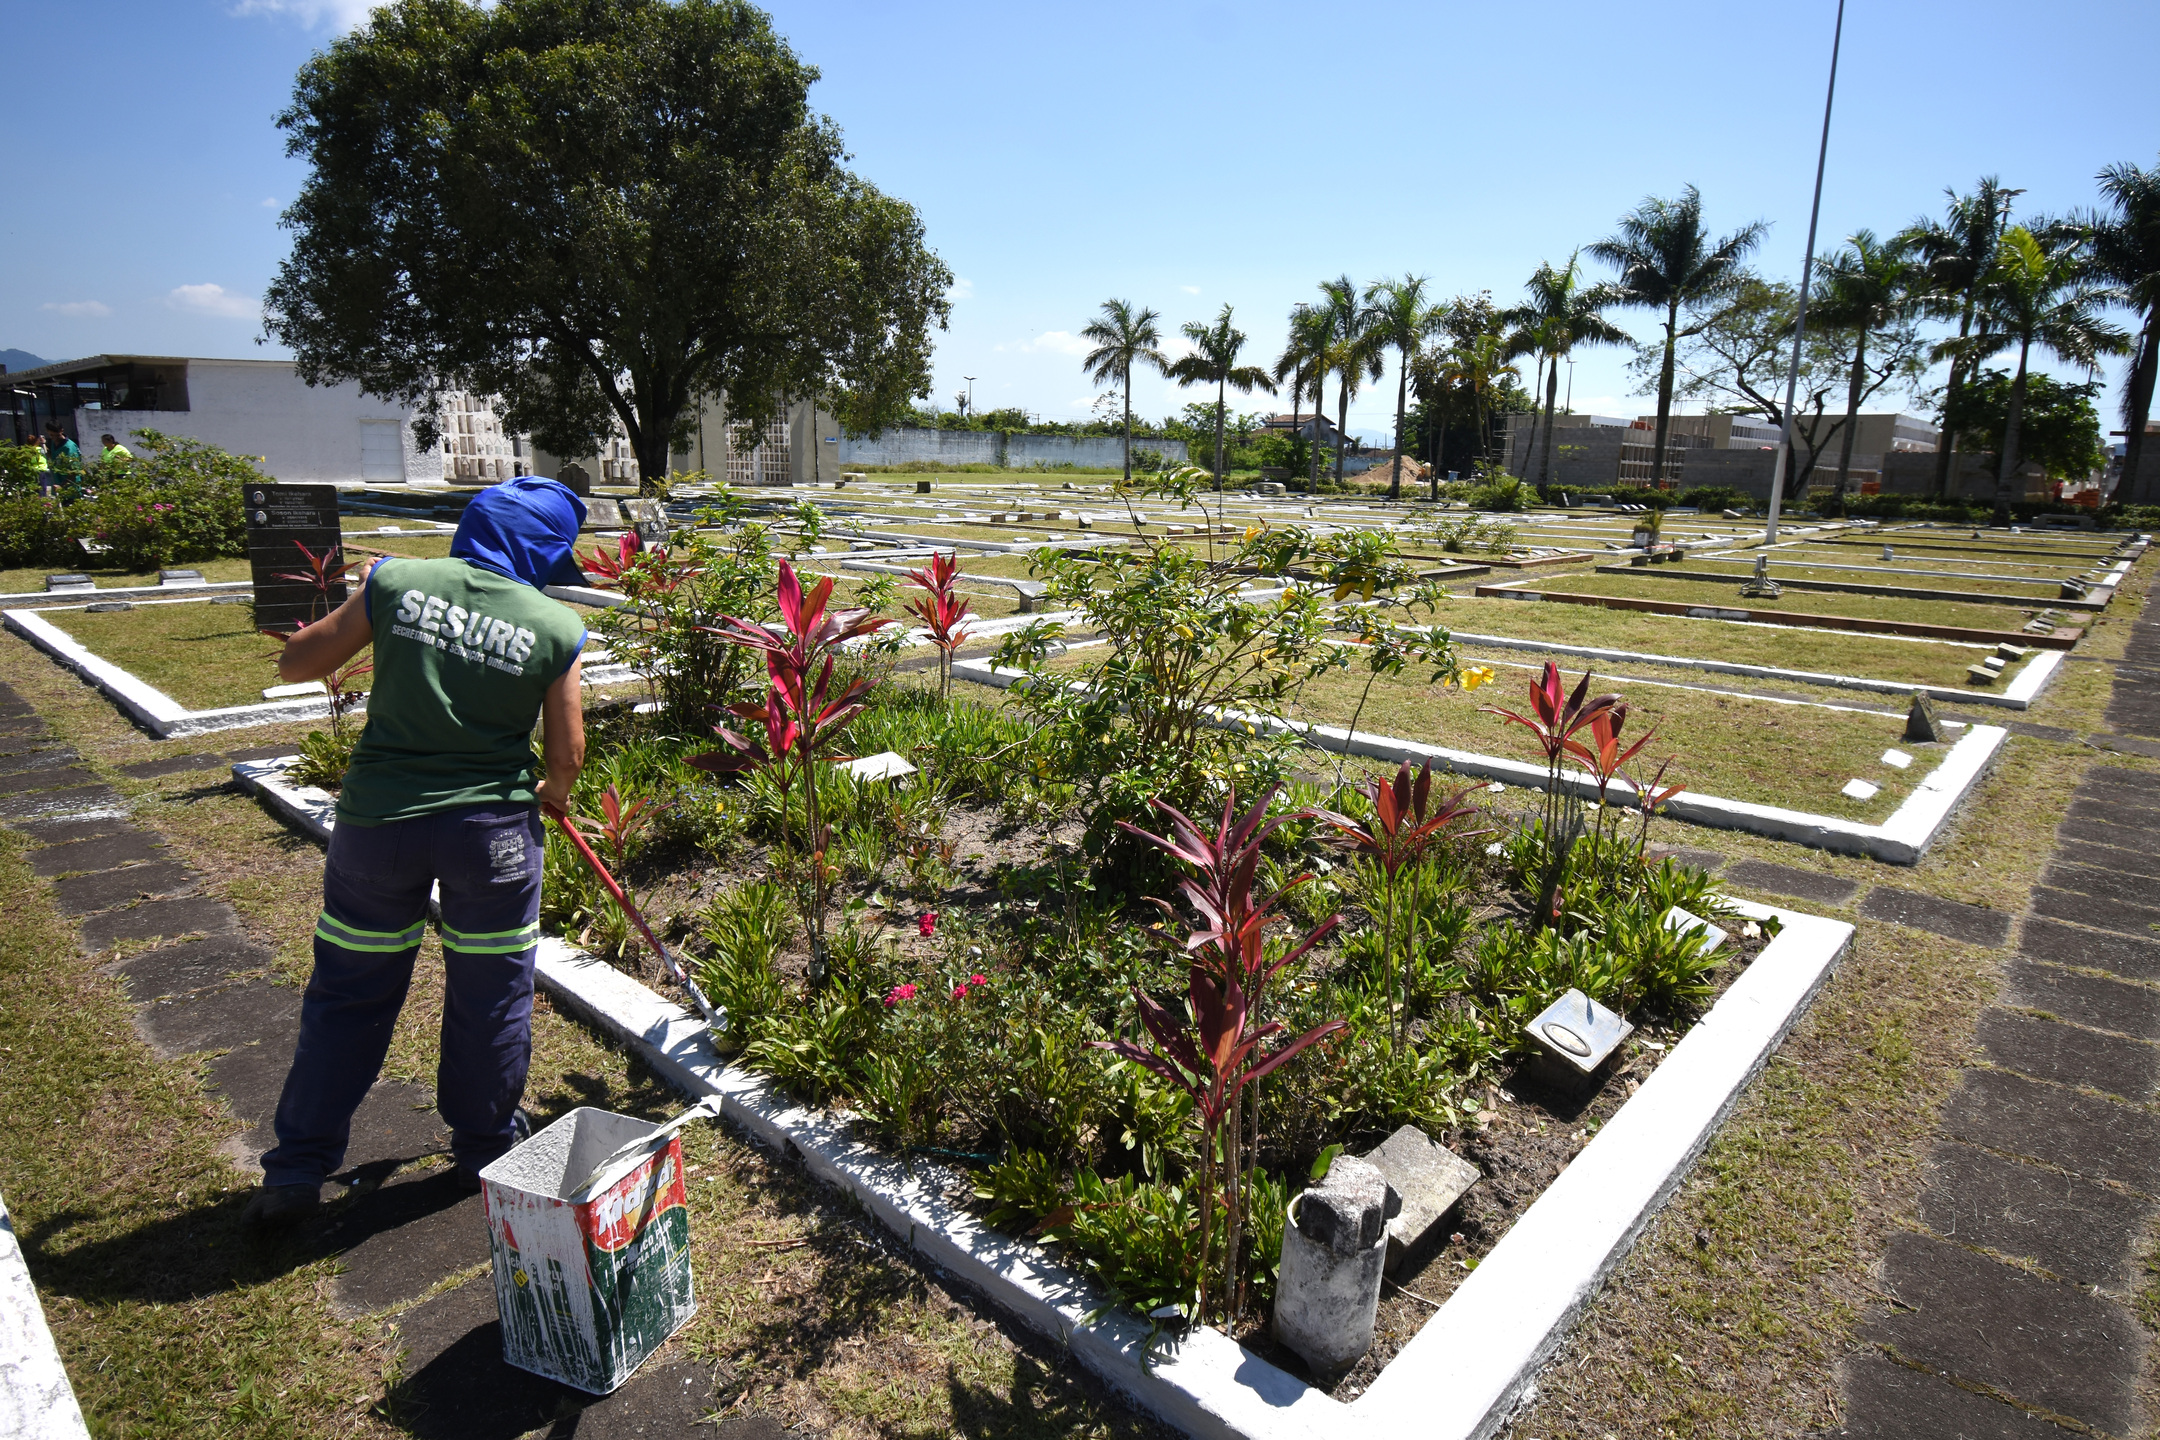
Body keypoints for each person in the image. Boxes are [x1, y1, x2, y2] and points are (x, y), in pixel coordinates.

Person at [244, 477, 592, 1228]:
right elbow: (567, 752)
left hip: (380, 827)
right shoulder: (554, 624)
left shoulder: (399, 582)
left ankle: (298, 1169)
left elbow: (297, 662)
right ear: (543, 551)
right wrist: (553, 795)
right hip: (492, 839)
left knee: (348, 991)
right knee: (491, 993)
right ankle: (482, 1146)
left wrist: (371, 593)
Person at [43, 424, 84, 498]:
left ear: (61, 431)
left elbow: (73, 471)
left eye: (56, 435)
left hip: (70, 489)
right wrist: (43, 445)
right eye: (51, 435)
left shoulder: (69, 447)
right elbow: (53, 456)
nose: (54, 438)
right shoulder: (54, 443)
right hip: (58, 484)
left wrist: (61, 486)